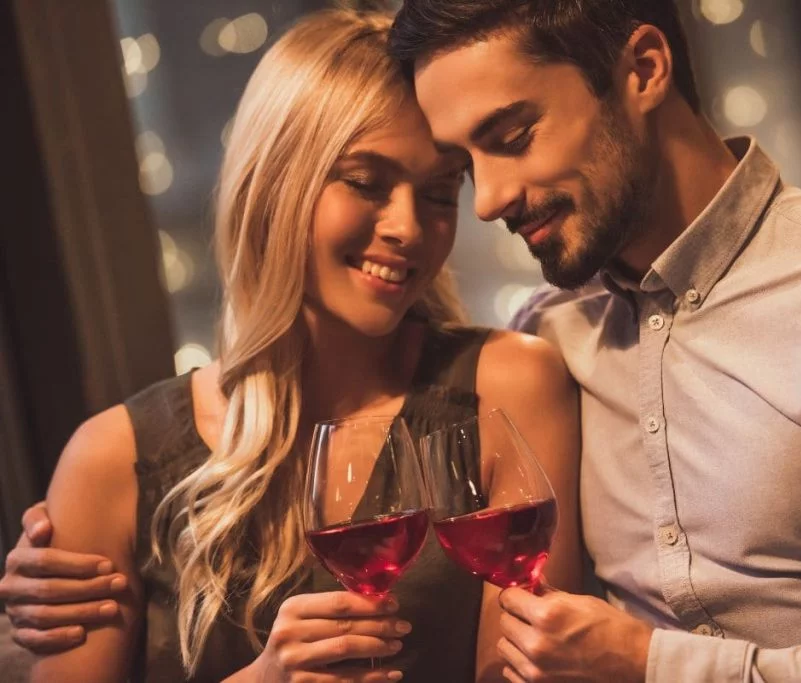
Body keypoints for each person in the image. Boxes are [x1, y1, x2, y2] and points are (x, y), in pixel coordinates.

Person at [6, 0, 801, 681]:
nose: (479, 205)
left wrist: (653, 662)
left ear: (642, 68)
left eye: (502, 142)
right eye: (457, 168)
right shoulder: (563, 330)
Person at [0, 8, 582, 683]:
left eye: (439, 193)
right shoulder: (111, 461)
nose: (408, 228)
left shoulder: (506, 386)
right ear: (274, 183)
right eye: (366, 181)